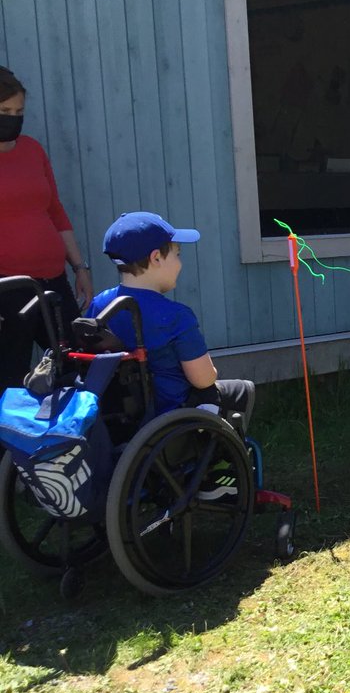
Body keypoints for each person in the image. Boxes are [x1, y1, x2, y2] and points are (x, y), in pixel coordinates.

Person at [87, 212, 255, 496]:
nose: (180, 263)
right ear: (156, 258)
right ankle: (209, 475)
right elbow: (203, 379)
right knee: (240, 391)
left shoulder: (100, 306)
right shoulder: (175, 316)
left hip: (117, 421)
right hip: (166, 423)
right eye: (176, 254)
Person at [0, 65, 93, 389]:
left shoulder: (32, 150)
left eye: (19, 111)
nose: (13, 117)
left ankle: (71, 438)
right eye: (5, 111)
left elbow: (54, 210)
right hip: (8, 290)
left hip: (54, 281)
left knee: (75, 364)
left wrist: (79, 267)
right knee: (9, 376)